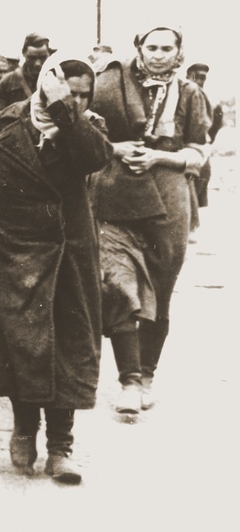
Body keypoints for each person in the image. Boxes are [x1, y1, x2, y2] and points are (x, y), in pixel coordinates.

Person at [0, 53, 111, 484]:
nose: (74, 102)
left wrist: (65, 114)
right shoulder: (8, 122)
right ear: (44, 84)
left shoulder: (90, 129)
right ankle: (24, 428)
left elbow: (93, 158)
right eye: (64, 93)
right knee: (24, 345)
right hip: (17, 251)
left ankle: (60, 447)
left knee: (69, 346)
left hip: (71, 251)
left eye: (81, 97)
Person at [90, 26, 210, 416]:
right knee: (116, 281)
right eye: (151, 47)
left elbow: (197, 151)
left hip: (169, 197)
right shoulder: (108, 81)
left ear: (178, 53)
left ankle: (145, 376)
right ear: (138, 47)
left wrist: (161, 158)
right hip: (117, 191)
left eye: (167, 48)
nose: (158, 55)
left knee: (161, 287)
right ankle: (127, 379)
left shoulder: (190, 93)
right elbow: (86, 132)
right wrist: (116, 149)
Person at [0, 32, 55, 119]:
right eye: (32, 58)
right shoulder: (6, 83)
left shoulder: (58, 80)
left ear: (49, 55)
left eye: (43, 57)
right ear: (23, 53)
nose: (38, 63)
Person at [186, 63, 224, 210]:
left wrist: (209, 138)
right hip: (182, 149)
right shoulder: (179, 95)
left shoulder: (210, 99)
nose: (199, 81)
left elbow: (218, 119)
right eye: (195, 77)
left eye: (203, 78)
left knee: (201, 181)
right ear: (188, 76)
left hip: (201, 149)